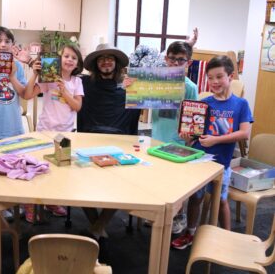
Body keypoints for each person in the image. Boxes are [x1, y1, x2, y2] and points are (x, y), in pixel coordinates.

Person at [171, 55, 253, 250]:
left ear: (230, 76)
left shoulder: (241, 104)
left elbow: (244, 133)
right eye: (210, 78)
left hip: (221, 163)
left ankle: (226, 236)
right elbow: (192, 135)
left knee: (221, 200)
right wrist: (186, 135)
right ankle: (190, 233)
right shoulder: (204, 103)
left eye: (219, 77)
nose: (214, 82)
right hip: (200, 161)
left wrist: (216, 139)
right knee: (195, 198)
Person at [124, 41, 198, 234]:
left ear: (188, 63)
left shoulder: (189, 87)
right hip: (156, 138)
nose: (174, 63)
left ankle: (177, 217)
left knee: (176, 185)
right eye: (172, 58)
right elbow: (137, 98)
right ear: (166, 59)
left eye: (180, 60)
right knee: (157, 181)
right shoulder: (156, 80)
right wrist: (131, 87)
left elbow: (192, 117)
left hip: (177, 142)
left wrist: (188, 135)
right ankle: (158, 214)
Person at [77, 44, 140, 246]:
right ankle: (97, 226)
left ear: (116, 63)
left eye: (110, 58)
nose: (106, 61)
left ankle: (97, 227)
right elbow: (60, 77)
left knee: (120, 187)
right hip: (88, 141)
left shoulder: (129, 86)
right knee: (78, 184)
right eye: (101, 58)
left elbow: (155, 95)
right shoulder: (83, 83)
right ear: (96, 63)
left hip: (119, 144)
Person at [23, 44, 84, 222]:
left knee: (60, 170)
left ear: (77, 63)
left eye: (73, 57)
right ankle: (31, 204)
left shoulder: (77, 82)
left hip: (66, 133)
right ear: (59, 59)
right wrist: (34, 73)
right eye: (66, 56)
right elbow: (27, 95)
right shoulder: (49, 78)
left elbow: (77, 107)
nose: (69, 60)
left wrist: (64, 91)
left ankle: (51, 201)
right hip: (45, 131)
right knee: (39, 168)